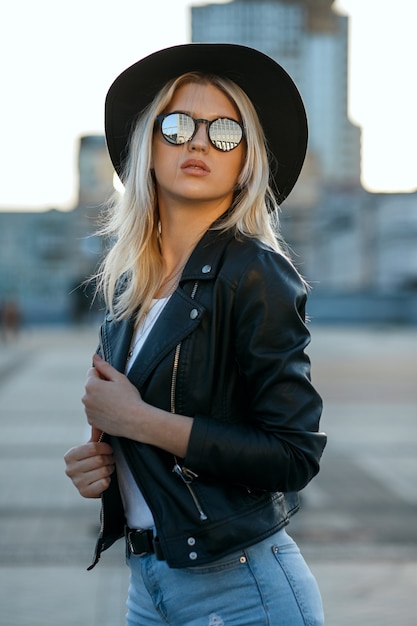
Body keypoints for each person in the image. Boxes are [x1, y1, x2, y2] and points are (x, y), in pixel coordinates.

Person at [64, 43, 327, 626]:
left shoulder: (255, 272)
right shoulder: (129, 291)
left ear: (247, 160)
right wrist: (101, 470)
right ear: (148, 149)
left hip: (241, 590)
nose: (200, 141)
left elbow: (293, 454)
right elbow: (133, 436)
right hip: (149, 584)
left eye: (225, 131)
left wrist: (140, 422)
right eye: (178, 124)